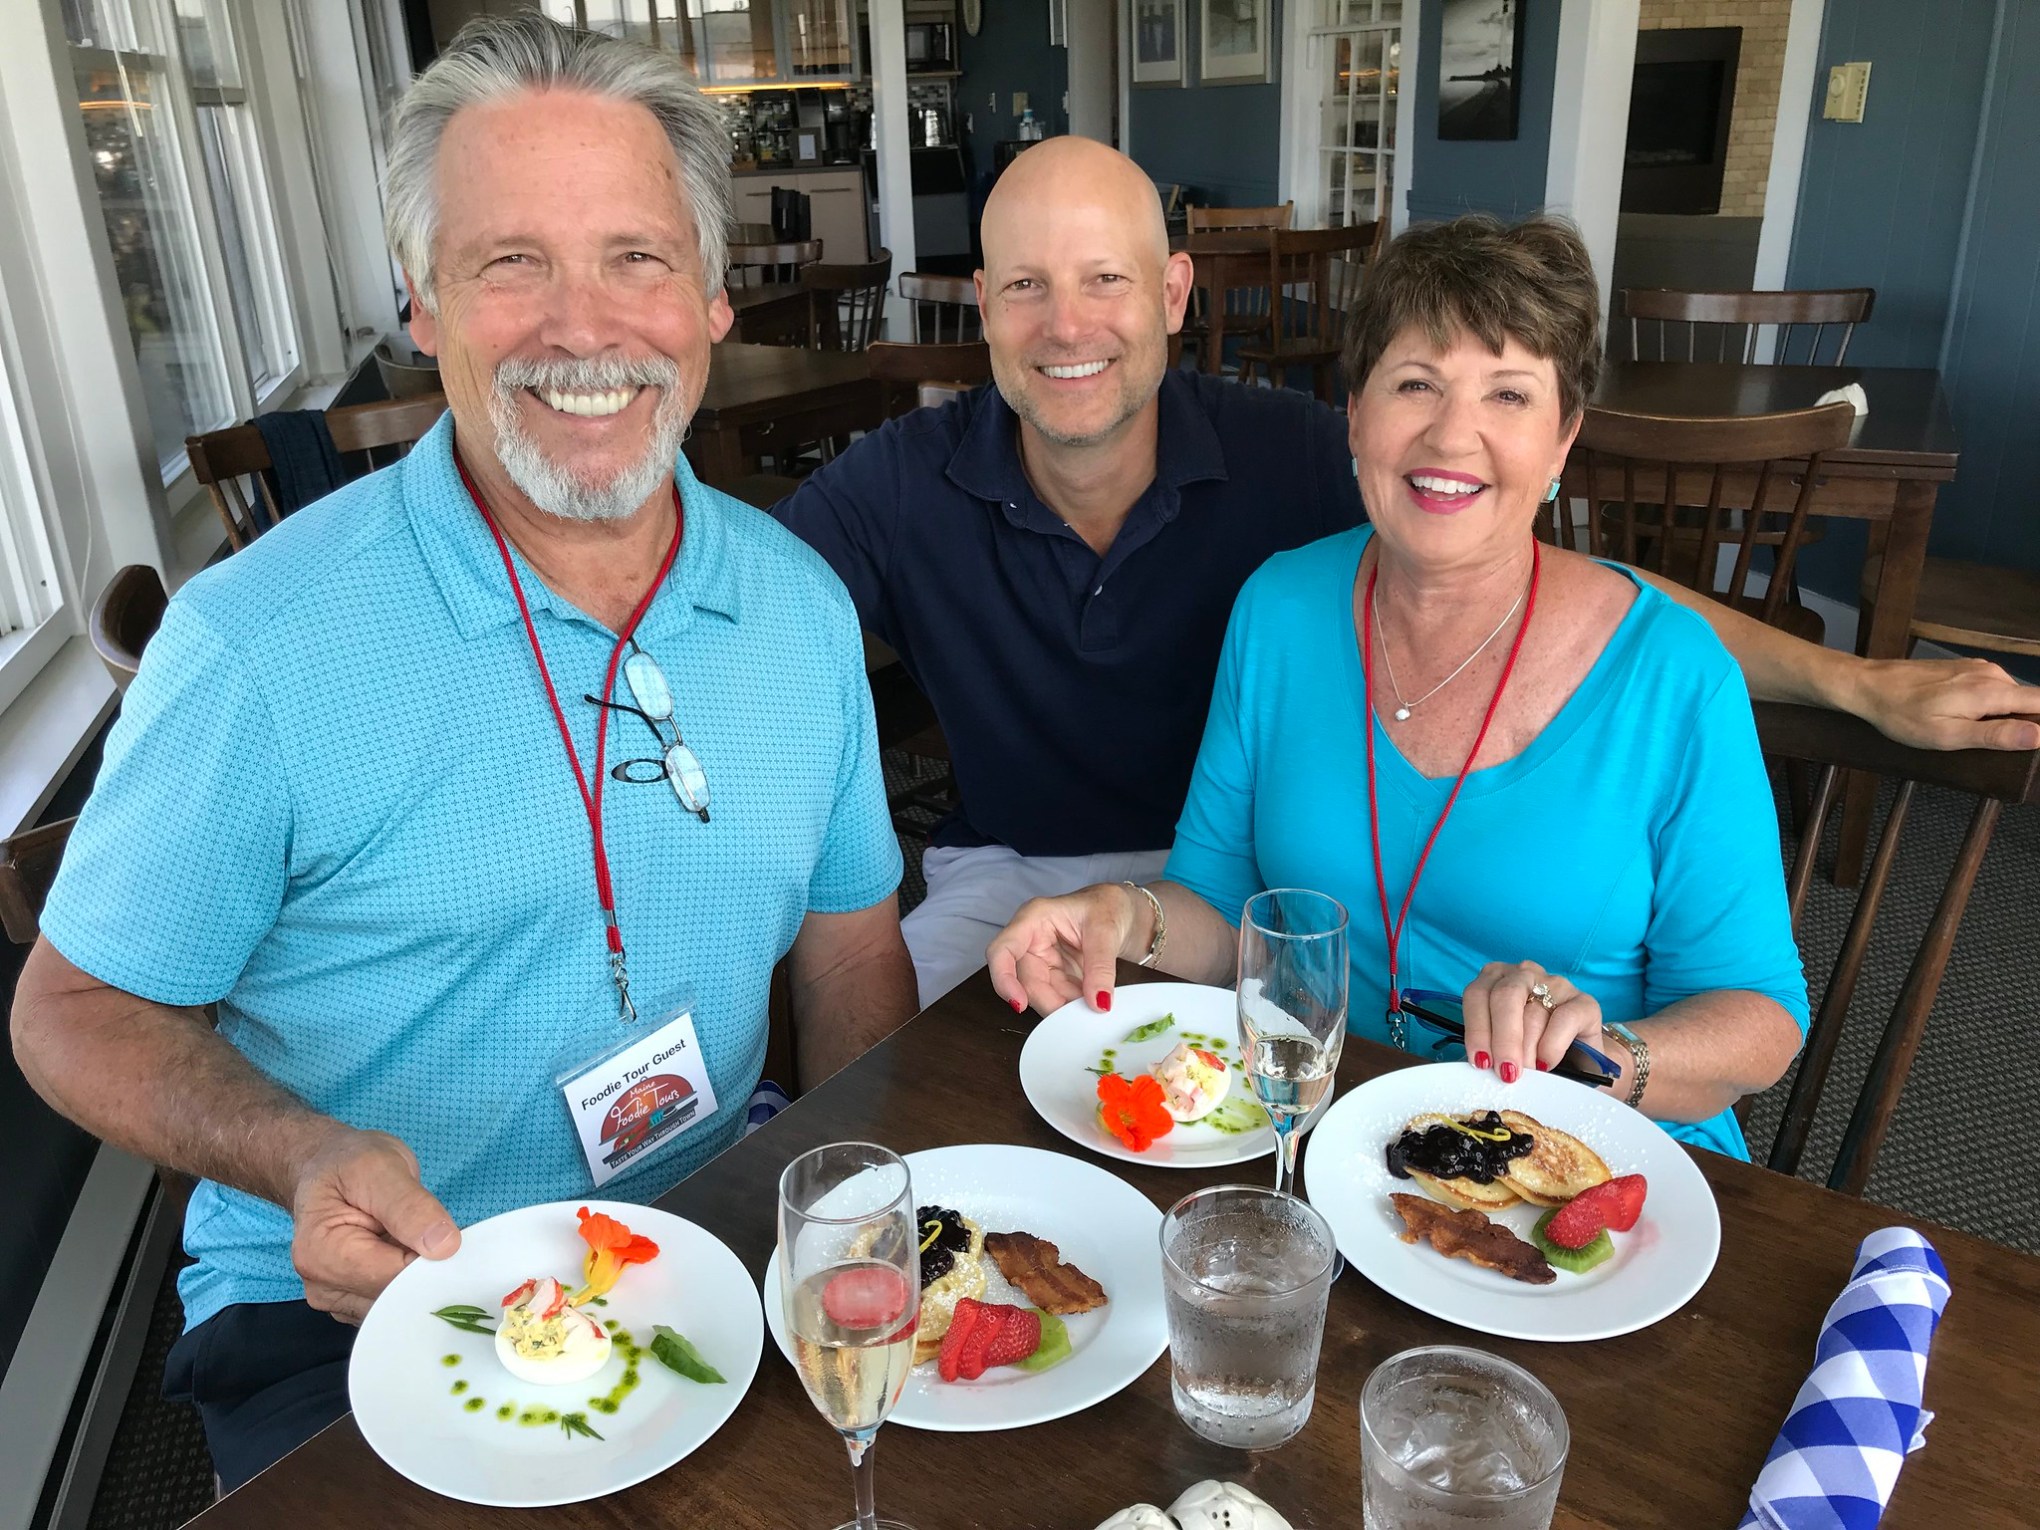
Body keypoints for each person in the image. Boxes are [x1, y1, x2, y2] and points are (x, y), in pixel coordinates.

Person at [9, 15, 913, 1490]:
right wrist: (298, 1152)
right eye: (511, 263)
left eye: (636, 257)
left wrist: (859, 1219)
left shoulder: (800, 609)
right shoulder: (258, 646)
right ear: (423, 301)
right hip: (362, 1307)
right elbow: (69, 1008)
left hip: (705, 1241)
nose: (583, 328)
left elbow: (850, 952)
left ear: (709, 296)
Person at [776, 137, 2037, 1012]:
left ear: (1172, 294)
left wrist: (1856, 681)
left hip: (1233, 880)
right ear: (980, 304)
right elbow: (741, 606)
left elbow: (1580, 593)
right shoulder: (905, 478)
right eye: (1026, 287)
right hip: (1050, 871)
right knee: (916, 1107)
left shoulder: (1298, 455)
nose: (1067, 325)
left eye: (1106, 279)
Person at [988, 214, 1810, 1159]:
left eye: (1509, 394)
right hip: (1336, 1133)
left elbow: (1762, 1017)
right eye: (1415, 383)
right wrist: (1124, 914)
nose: (1452, 435)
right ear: (1354, 417)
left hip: (1596, 1166)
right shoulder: (1279, 609)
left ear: (1562, 443)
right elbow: (1218, 908)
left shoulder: (1675, 676)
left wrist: (1607, 1056)